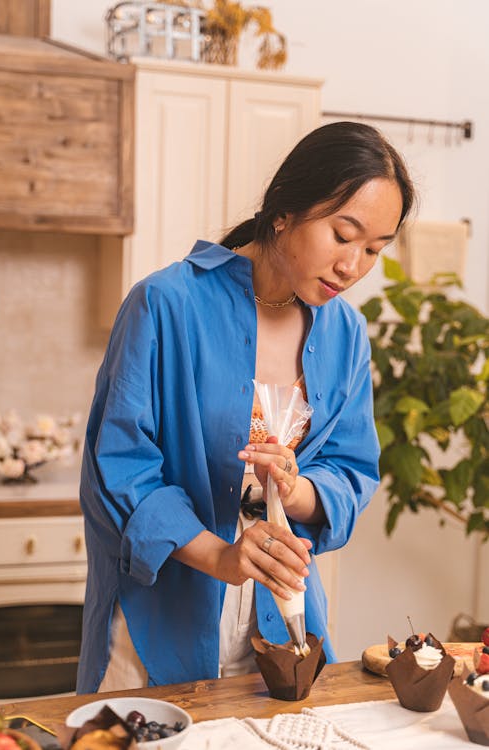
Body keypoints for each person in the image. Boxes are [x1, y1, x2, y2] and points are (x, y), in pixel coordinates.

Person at [77, 121, 415, 693]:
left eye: (373, 250)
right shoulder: (165, 304)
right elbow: (121, 467)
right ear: (284, 210)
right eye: (342, 235)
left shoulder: (347, 334)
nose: (352, 266)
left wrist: (295, 484)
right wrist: (222, 559)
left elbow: (350, 469)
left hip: (280, 622)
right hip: (161, 620)